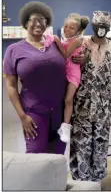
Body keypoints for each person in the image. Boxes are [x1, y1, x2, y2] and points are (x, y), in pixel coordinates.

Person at [3, 1, 66, 154]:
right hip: (34, 114)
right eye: (34, 20)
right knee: (35, 156)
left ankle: (54, 180)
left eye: (43, 20)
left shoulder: (55, 44)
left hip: (60, 112)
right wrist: (22, 116)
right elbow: (11, 85)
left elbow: (71, 63)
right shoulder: (14, 50)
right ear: (25, 22)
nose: (38, 24)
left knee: (57, 156)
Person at [69, 10, 111, 182]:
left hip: (103, 109)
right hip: (81, 108)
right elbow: (69, 71)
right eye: (98, 25)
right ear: (92, 26)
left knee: (100, 146)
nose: (101, 29)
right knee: (81, 146)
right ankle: (82, 182)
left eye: (105, 26)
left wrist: (110, 105)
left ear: (109, 27)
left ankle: (97, 181)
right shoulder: (80, 45)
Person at [45, 13, 89, 143]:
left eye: (71, 28)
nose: (67, 29)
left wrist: (56, 40)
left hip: (73, 73)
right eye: (65, 26)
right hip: (64, 73)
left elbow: (65, 55)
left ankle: (66, 127)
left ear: (79, 31)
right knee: (62, 100)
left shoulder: (77, 41)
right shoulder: (67, 41)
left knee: (68, 99)